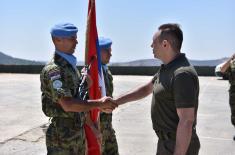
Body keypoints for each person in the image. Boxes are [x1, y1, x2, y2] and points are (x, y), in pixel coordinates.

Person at [109, 23, 200, 155]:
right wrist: (116, 101)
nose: (151, 46)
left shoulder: (181, 74)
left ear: (165, 44)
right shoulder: (168, 68)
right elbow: (146, 89)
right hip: (166, 143)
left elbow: (186, 121)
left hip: (178, 145)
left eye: (153, 43)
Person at [40, 23, 117, 155]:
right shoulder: (54, 70)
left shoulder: (70, 68)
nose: (76, 41)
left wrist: (85, 84)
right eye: (72, 38)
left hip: (76, 134)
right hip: (62, 138)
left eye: (75, 38)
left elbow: (78, 98)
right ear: (57, 40)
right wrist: (100, 103)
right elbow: (68, 104)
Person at [98, 37, 119, 155]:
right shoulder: (91, 74)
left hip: (107, 127)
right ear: (98, 51)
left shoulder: (106, 72)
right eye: (107, 50)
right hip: (97, 128)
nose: (111, 54)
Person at [220, 53, 235, 140]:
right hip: (233, 92)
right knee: (234, 113)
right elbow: (222, 70)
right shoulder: (232, 63)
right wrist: (230, 59)